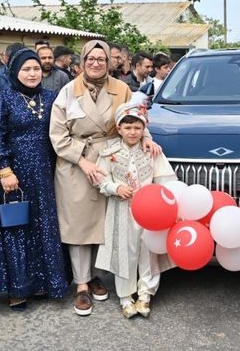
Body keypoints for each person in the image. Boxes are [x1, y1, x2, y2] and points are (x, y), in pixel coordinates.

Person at [50, 40, 157, 317]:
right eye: (91, 58)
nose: (96, 63)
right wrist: (83, 161)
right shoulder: (67, 92)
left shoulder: (121, 88)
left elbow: (135, 118)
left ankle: (96, 274)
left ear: (110, 62)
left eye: (102, 59)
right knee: (80, 226)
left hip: (112, 158)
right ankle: (82, 283)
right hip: (77, 162)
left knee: (108, 222)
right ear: (82, 61)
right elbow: (57, 136)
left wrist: (145, 138)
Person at [0, 48, 67, 310]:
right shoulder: (2, 99)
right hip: (14, 174)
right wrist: (4, 170)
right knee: (17, 228)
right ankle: (18, 287)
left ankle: (43, 282)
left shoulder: (52, 98)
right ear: (15, 72)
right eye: (26, 69)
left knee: (44, 225)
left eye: (36, 68)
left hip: (45, 172)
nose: (32, 74)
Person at [95, 98, 177, 319]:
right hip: (121, 210)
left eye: (137, 127)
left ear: (144, 128)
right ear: (119, 128)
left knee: (147, 251)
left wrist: (163, 202)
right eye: (128, 127)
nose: (132, 132)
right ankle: (125, 296)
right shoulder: (108, 152)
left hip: (150, 213)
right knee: (125, 252)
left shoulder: (151, 152)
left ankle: (145, 294)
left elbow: (166, 180)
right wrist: (115, 187)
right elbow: (100, 180)